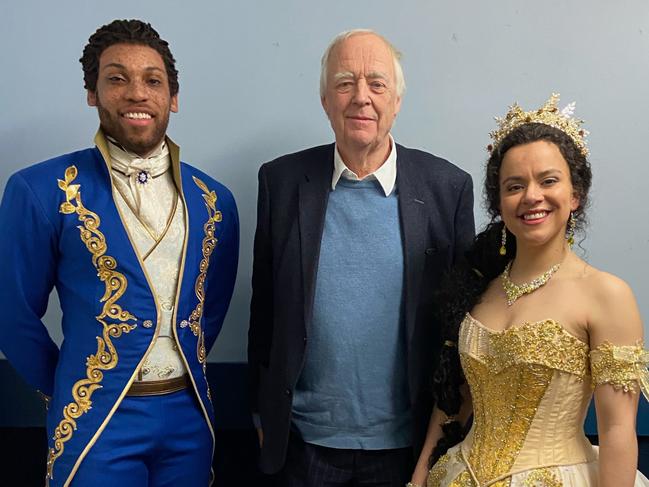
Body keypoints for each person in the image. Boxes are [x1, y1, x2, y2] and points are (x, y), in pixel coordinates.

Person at [0, 19, 239, 486]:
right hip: (97, 416)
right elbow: (12, 314)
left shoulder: (214, 200)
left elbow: (208, 310)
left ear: (173, 97)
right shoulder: (41, 189)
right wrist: (72, 385)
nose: (136, 93)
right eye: (117, 78)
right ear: (93, 92)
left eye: (153, 80)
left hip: (190, 417)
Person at [248, 29, 474, 486]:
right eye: (345, 82)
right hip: (302, 444)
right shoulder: (282, 182)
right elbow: (264, 308)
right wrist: (259, 411)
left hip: (406, 448)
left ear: (397, 101)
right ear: (325, 100)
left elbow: (461, 326)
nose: (361, 98)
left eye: (377, 83)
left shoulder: (446, 189)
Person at [408, 94, 649, 486]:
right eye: (514, 186)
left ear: (575, 195)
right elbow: (452, 401)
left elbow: (619, 433)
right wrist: (418, 480)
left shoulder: (606, 294)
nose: (532, 196)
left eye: (548, 180)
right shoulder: (479, 287)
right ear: (500, 203)